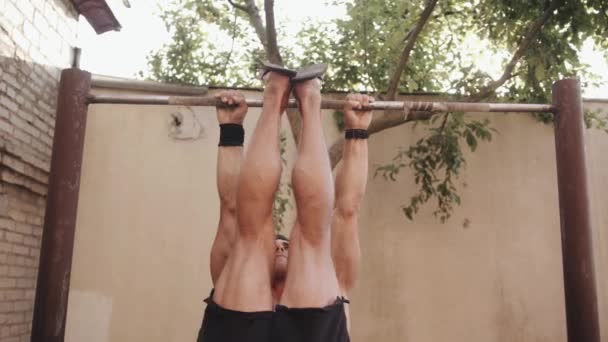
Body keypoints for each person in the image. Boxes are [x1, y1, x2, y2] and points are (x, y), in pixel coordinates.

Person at [198, 67, 373, 342]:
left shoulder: (232, 273)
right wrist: (357, 132)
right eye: (278, 245)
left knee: (252, 233)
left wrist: (231, 129)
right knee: (311, 237)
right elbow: (230, 206)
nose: (279, 247)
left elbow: (347, 211)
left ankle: (276, 94)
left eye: (283, 246)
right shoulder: (333, 284)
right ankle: (310, 98)